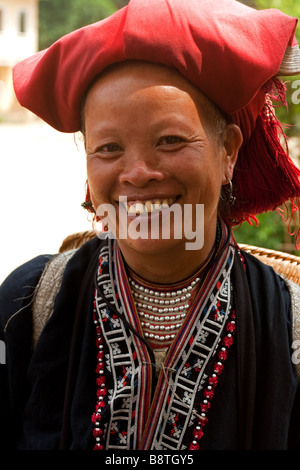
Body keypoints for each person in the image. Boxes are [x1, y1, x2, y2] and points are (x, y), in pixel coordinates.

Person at [0, 0, 300, 451]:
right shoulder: (28, 304)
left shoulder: (289, 325)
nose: (137, 172)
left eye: (170, 140)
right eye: (108, 148)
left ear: (229, 152)